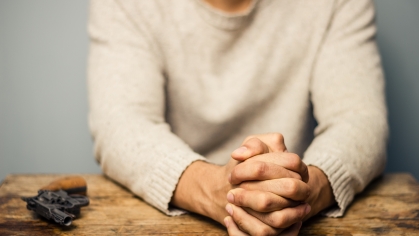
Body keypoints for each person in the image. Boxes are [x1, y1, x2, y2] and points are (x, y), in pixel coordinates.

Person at [87, 0, 388, 235]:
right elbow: (121, 122)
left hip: (293, 198)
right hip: (176, 209)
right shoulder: (126, 5)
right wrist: (216, 189)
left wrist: (299, 194)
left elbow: (360, 119)